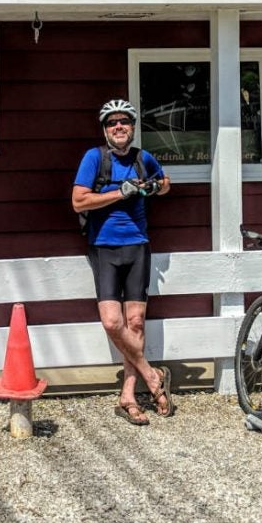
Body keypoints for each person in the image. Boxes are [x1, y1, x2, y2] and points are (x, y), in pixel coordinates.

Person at [72, 99, 173, 425]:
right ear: (105, 130)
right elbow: (78, 201)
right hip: (104, 247)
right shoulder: (94, 158)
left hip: (137, 246)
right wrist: (122, 192)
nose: (119, 127)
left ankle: (128, 395)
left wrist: (157, 187)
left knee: (136, 324)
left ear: (132, 127)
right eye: (112, 123)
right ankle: (151, 374)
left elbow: (165, 183)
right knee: (112, 323)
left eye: (124, 122)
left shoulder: (143, 158)